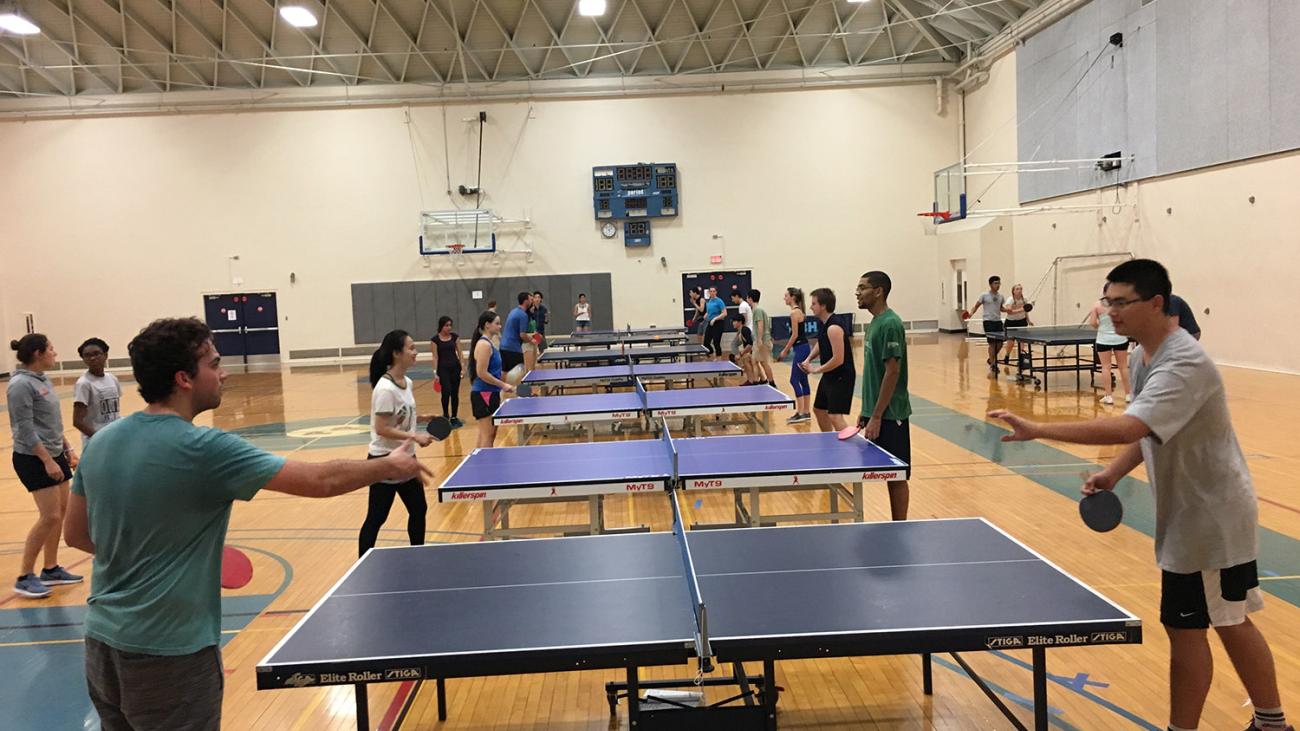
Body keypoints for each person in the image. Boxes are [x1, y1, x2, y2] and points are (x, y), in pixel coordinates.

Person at [64, 317, 429, 730]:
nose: (224, 373)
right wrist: (390, 465)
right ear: (184, 378)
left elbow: (76, 535)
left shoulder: (102, 443)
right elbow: (320, 480)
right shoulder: (205, 448)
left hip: (100, 646)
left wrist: (159, 553)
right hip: (170, 654)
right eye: (215, 363)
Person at [988, 260, 1289, 731]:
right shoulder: (1140, 356)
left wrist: (1039, 428)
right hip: (1189, 514)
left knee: (1200, 626)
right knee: (1224, 620)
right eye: (1108, 301)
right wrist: (1112, 472)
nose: (1111, 311)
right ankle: (1271, 723)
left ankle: (1225, 726)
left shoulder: (1185, 362)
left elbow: (1133, 424)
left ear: (1156, 303)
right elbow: (1151, 431)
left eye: (1121, 302)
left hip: (1213, 518)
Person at [7, 334, 81, 599]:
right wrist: (47, 460)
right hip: (34, 458)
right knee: (49, 516)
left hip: (54, 453)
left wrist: (67, 449)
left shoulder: (41, 379)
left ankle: (50, 569)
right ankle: (25, 576)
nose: (55, 353)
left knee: (61, 512)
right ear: (38, 353)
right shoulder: (20, 385)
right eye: (51, 349)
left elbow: (51, 423)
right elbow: (25, 429)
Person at [360, 330, 434, 556]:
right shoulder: (385, 389)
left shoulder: (407, 382)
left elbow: (400, 417)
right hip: (384, 460)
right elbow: (381, 428)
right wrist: (414, 436)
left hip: (406, 458)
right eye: (411, 348)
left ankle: (416, 556)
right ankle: (361, 563)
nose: (415, 352)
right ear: (396, 353)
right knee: (377, 517)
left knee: (419, 508)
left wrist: (420, 419)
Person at [855, 272, 911, 521]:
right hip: (877, 411)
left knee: (897, 474)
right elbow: (876, 374)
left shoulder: (889, 323)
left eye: (862, 288)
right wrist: (867, 410)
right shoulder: (875, 322)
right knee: (890, 473)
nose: (857, 292)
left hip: (892, 414)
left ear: (878, 291)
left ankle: (900, 526)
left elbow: (892, 371)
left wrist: (877, 415)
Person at [801, 288, 855, 433]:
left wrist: (816, 369)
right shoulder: (823, 323)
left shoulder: (834, 327)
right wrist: (808, 359)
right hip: (830, 375)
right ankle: (829, 441)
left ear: (823, 306)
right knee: (819, 410)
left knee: (835, 416)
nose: (811, 307)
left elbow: (838, 359)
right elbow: (821, 343)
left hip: (842, 376)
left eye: (813, 304)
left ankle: (851, 450)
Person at [470, 310, 515, 449]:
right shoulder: (484, 345)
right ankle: (485, 468)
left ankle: (476, 463)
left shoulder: (490, 343)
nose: (500, 326)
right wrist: (502, 385)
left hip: (491, 393)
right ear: (487, 325)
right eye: (497, 324)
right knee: (487, 436)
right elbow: (481, 373)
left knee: (489, 435)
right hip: (484, 394)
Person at [73, 337, 122, 449]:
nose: (93, 358)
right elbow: (77, 421)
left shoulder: (112, 379)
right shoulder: (84, 384)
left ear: (105, 355)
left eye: (96, 353)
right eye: (87, 355)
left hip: (114, 437)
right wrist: (99, 438)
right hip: (96, 442)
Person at [1088, 287, 1132, 405]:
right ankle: (1128, 395)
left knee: (1106, 367)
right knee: (1123, 367)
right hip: (1120, 338)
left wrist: (1101, 328)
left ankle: (1108, 396)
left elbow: (1092, 322)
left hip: (1103, 339)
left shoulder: (1097, 305)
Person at [778, 287, 812, 423]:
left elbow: (795, 334)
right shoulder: (799, 311)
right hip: (803, 348)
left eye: (786, 295)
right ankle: (806, 412)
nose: (784, 298)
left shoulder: (794, 312)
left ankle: (800, 412)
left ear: (792, 297)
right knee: (803, 380)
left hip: (802, 348)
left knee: (794, 379)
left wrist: (785, 350)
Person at [967, 275, 1008, 375]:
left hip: (998, 321)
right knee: (992, 344)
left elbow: (1001, 308)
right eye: (995, 283)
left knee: (1000, 344)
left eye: (999, 283)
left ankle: (991, 359)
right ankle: (993, 364)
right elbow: (976, 306)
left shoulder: (1001, 296)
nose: (998, 285)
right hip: (988, 321)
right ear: (990, 284)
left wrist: (1009, 310)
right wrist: (971, 314)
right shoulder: (984, 295)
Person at [431, 317, 465, 427]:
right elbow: (435, 357)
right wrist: (435, 372)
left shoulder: (455, 337)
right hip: (443, 369)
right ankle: (446, 415)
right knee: (446, 392)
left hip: (455, 368)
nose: (449, 327)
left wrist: (463, 367)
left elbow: (460, 353)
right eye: (446, 325)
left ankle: (454, 417)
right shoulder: (435, 340)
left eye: (450, 325)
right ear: (441, 326)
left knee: (455, 393)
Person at [747, 289, 775, 387]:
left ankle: (771, 383)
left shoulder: (758, 310)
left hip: (762, 341)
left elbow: (760, 325)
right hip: (760, 340)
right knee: (754, 361)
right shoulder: (756, 310)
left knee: (763, 363)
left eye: (747, 298)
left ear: (750, 298)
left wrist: (759, 340)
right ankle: (759, 382)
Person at [500, 291, 531, 376]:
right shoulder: (523, 315)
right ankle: (515, 389)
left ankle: (504, 389)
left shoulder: (513, 311)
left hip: (503, 347)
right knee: (519, 375)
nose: (531, 302)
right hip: (513, 349)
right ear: (526, 301)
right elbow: (522, 335)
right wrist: (531, 340)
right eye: (530, 299)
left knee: (505, 372)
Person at [1000, 284, 1031, 366]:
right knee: (1011, 342)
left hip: (1022, 322)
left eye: (1021, 289)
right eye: (1017, 289)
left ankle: (1021, 357)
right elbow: (1009, 311)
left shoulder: (1024, 300)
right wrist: (1021, 309)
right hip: (1011, 322)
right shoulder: (1010, 300)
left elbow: (1026, 311)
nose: (1019, 290)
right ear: (1013, 291)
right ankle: (1007, 355)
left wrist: (1029, 320)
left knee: (1022, 341)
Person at [729, 313, 755, 383]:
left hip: (755, 351)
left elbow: (750, 344)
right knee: (745, 358)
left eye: (735, 321)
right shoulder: (741, 330)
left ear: (740, 322)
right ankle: (753, 380)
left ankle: (751, 381)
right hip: (752, 351)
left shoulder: (744, 330)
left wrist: (741, 354)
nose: (733, 323)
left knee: (746, 359)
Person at [703, 287, 727, 360]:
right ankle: (713, 356)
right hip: (710, 323)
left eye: (714, 291)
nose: (712, 293)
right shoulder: (709, 302)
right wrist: (705, 316)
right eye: (711, 291)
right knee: (706, 343)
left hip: (718, 323)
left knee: (716, 342)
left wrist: (715, 318)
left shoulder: (719, 301)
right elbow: (708, 312)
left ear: (716, 292)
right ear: (709, 293)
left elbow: (724, 313)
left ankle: (719, 359)